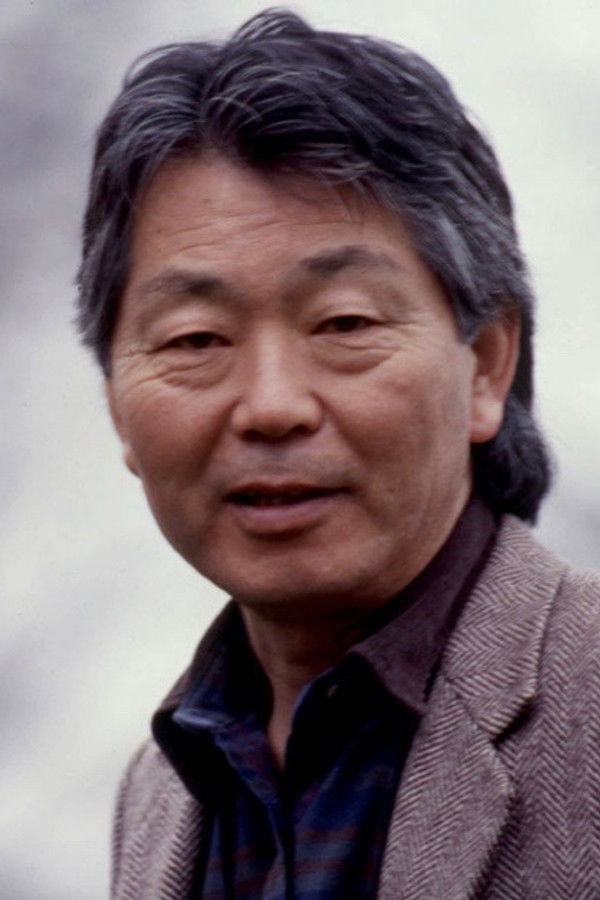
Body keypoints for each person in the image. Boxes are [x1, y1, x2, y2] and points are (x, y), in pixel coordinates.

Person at [77, 9, 600, 898]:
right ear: (117, 408)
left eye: (344, 323)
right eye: (196, 339)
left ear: (487, 364)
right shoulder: (161, 789)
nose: (272, 407)